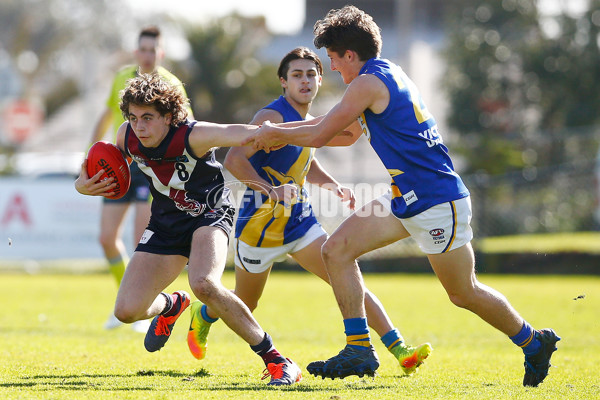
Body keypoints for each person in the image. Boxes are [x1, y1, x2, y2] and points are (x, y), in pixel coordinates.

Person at [248, 6, 560, 387]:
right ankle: (359, 348)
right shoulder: (385, 72)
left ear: (349, 55)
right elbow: (341, 133)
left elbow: (320, 134)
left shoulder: (365, 83)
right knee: (336, 250)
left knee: (463, 293)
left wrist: (274, 133)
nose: (331, 68)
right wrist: (278, 130)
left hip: (435, 201)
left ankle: (533, 341)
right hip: (407, 196)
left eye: (332, 59)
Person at [186, 47, 432, 376]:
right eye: (297, 75)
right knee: (246, 301)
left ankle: (400, 349)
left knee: (346, 274)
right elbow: (234, 160)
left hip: (300, 224)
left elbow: (305, 160)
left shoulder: (308, 122)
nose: (305, 81)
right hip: (260, 230)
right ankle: (204, 315)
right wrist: (271, 191)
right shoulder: (268, 117)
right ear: (283, 83)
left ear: (319, 80)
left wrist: (333, 187)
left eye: (311, 74)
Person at [75, 73, 301, 386]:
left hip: (210, 212)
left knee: (204, 284)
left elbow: (245, 133)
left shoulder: (193, 135)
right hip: (166, 222)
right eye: (133, 117)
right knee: (126, 311)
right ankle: (172, 304)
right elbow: (104, 164)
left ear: (169, 117)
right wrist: (81, 184)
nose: (139, 126)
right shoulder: (127, 135)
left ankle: (277, 360)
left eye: (148, 118)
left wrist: (314, 131)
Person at [88, 26, 192, 332]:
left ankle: (144, 303)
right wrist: (88, 158)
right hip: (119, 164)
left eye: (152, 50)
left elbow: (187, 127)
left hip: (153, 169)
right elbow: (107, 117)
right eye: (142, 49)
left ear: (160, 54)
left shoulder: (172, 85)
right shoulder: (122, 78)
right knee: (107, 238)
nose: (147, 55)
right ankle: (125, 297)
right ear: (136, 53)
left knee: (140, 243)